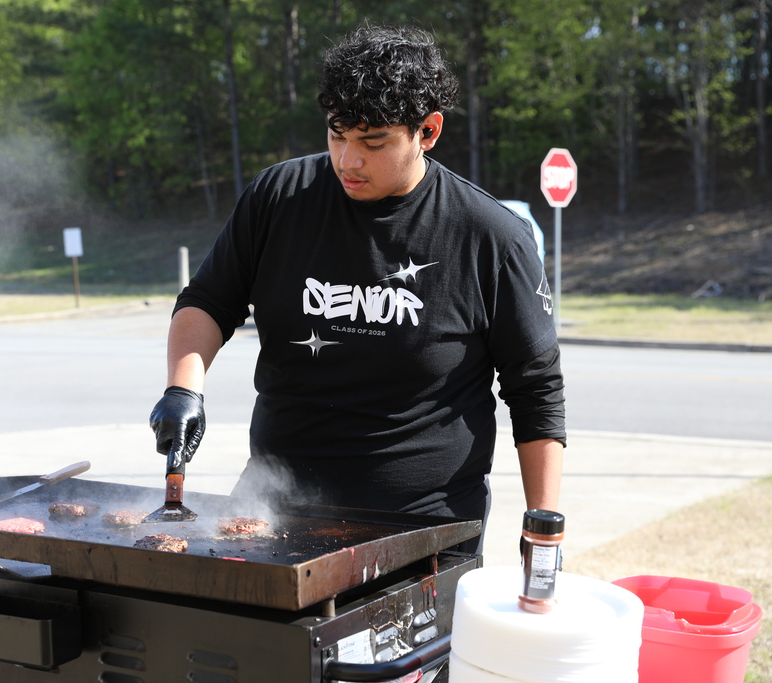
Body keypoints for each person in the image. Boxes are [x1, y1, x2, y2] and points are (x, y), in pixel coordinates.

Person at [149, 24, 565, 554]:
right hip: (272, 506)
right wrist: (183, 390)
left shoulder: (489, 236)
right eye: (337, 134)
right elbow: (208, 300)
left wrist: (543, 525)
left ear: (428, 131)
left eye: (373, 142)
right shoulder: (279, 198)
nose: (348, 159)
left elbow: (536, 389)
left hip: (423, 525)